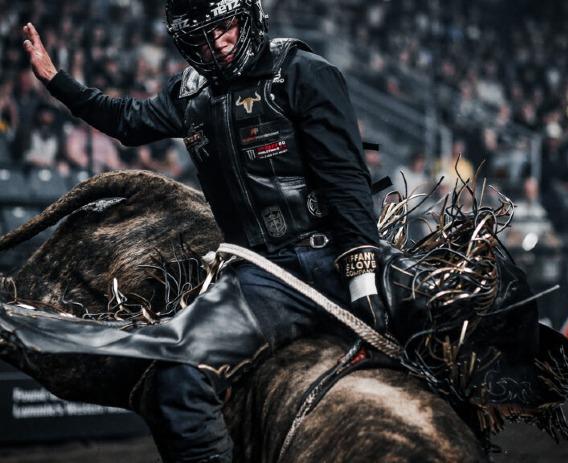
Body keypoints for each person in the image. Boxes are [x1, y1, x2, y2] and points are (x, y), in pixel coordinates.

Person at [22, 1, 388, 461]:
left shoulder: (304, 72)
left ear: (249, 17)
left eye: (225, 27)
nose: (217, 42)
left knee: (467, 317)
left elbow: (346, 180)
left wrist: (361, 274)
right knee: (176, 376)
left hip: (335, 256)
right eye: (200, 37)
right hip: (261, 277)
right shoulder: (188, 94)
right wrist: (57, 82)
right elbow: (126, 121)